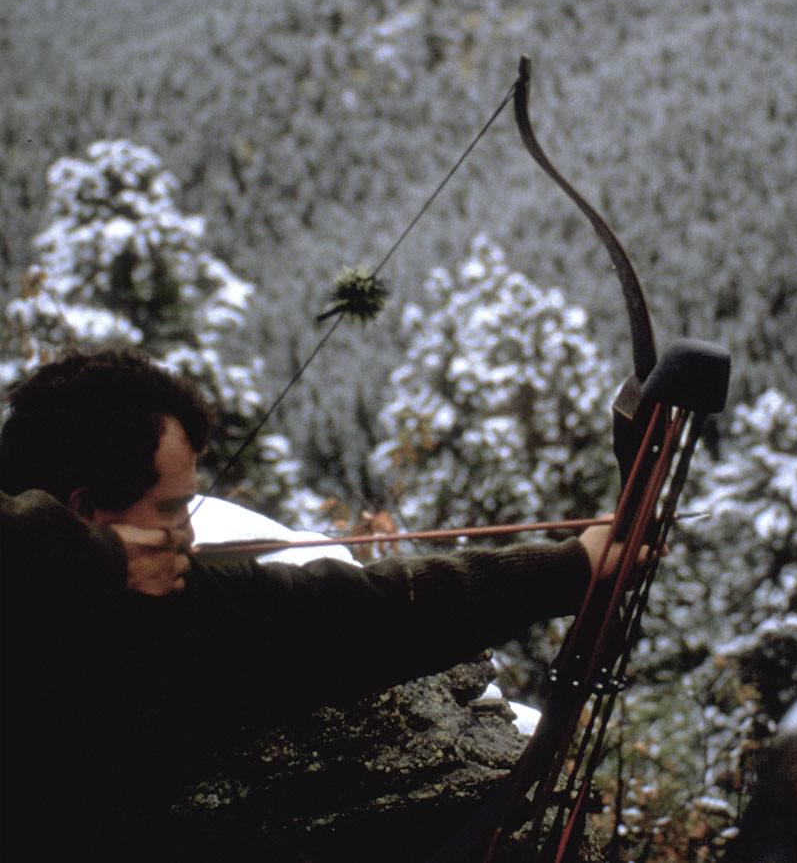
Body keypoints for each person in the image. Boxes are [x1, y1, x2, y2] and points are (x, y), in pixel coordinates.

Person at [0, 348, 623, 860]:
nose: (189, 533)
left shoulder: (168, 604)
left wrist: (572, 568)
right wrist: (85, 559)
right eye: (169, 510)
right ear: (85, 514)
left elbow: (357, 614)